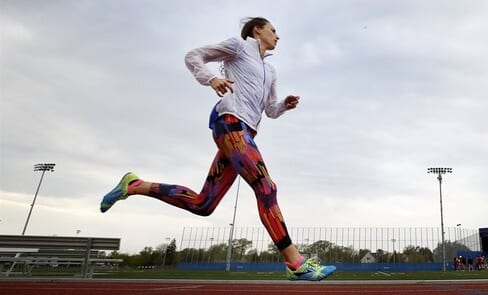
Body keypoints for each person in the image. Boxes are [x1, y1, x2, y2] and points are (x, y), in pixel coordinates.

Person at [100, 17, 336, 281]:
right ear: (257, 30)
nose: (277, 36)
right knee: (266, 187)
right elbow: (194, 56)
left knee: (205, 204)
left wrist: (284, 105)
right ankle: (296, 263)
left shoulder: (270, 71)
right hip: (230, 125)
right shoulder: (238, 47)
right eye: (273, 30)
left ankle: (135, 185)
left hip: (245, 134)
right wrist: (211, 78)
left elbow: (270, 111)